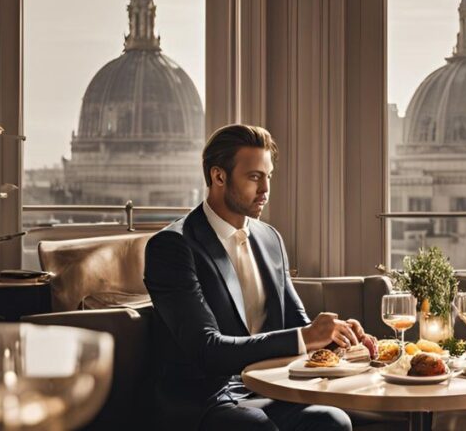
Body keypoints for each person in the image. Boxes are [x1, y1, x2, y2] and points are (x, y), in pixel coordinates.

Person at [144, 124, 359, 430]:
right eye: (254, 177)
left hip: (269, 386)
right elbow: (207, 350)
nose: (266, 189)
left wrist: (340, 337)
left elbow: (300, 327)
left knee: (332, 421)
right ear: (219, 176)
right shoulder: (172, 247)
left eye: (268, 176)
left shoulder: (269, 238)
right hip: (205, 398)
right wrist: (306, 336)